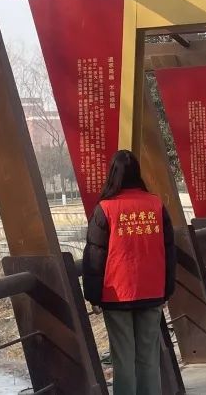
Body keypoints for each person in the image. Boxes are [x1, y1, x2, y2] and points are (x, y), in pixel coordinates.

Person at [82, 150, 176, 395]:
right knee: (149, 358)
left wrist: (93, 296)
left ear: (113, 174)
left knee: (123, 359)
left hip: (117, 293)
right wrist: (167, 290)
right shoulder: (155, 205)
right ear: (137, 173)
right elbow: (169, 251)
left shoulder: (105, 209)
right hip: (152, 291)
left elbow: (94, 257)